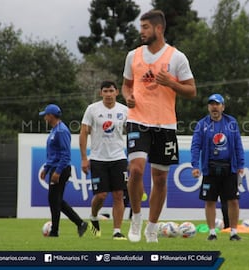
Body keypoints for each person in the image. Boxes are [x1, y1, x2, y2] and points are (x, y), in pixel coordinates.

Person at [121, 9, 197, 243]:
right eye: (140, 27)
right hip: (138, 120)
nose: (141, 32)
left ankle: (152, 228)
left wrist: (171, 83)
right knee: (135, 169)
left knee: (160, 179)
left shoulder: (177, 57)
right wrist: (127, 97)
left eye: (145, 27)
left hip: (165, 124)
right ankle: (135, 218)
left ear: (159, 29)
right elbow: (126, 85)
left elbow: (192, 91)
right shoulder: (133, 55)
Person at [191, 94, 244, 241]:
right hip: (210, 168)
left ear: (223, 107)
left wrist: (241, 164)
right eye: (211, 104)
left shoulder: (231, 122)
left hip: (229, 168)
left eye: (217, 104)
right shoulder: (202, 125)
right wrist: (195, 165)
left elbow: (238, 144)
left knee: (233, 200)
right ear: (208, 107)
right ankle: (212, 232)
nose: (214, 107)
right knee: (210, 201)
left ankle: (233, 232)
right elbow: (195, 146)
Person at [80, 80, 128, 240]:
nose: (108, 94)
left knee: (118, 194)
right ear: (101, 93)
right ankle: (94, 217)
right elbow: (83, 133)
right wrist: (84, 158)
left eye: (111, 91)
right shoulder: (92, 109)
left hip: (119, 157)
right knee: (101, 195)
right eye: (105, 91)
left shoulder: (124, 110)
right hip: (98, 158)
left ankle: (117, 231)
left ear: (117, 93)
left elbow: (134, 132)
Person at [39, 104, 88, 237]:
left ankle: (55, 231)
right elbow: (53, 153)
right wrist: (47, 168)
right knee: (56, 200)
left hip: (61, 168)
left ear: (51, 116)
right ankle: (80, 223)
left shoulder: (61, 131)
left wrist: (57, 171)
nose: (44, 118)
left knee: (54, 200)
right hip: (55, 167)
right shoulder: (55, 130)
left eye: (45, 115)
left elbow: (65, 154)